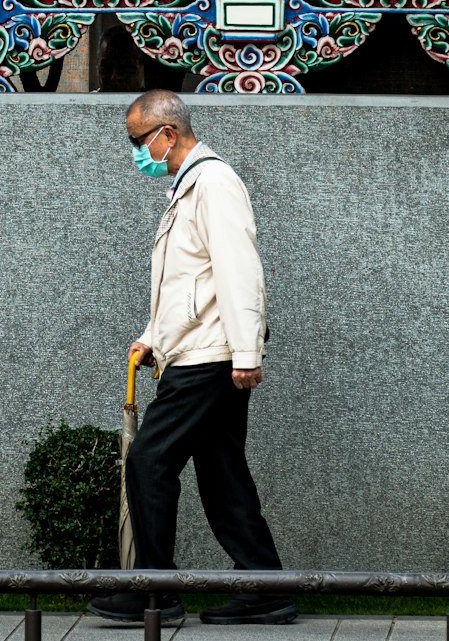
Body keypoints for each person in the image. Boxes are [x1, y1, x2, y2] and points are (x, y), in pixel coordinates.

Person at [89, 89, 295, 628]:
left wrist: (246, 352)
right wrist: (153, 337)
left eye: (138, 140)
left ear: (168, 134)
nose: (135, 152)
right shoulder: (189, 187)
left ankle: (154, 590)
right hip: (201, 350)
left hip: (211, 357)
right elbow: (189, 282)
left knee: (149, 460)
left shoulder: (215, 183)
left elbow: (238, 270)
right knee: (222, 473)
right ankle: (264, 586)